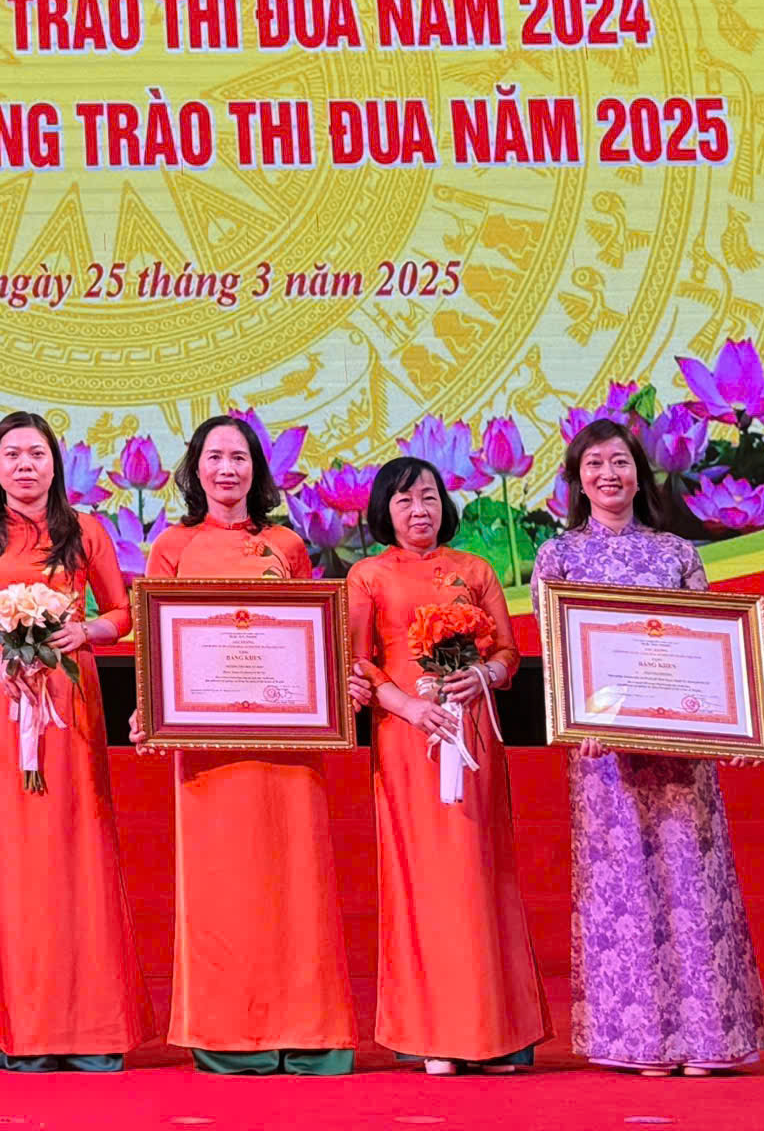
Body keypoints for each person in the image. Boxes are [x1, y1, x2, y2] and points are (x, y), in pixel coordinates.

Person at [534, 418, 764, 1076]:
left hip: (682, 745)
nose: (607, 474)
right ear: (577, 480)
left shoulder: (675, 553)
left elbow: (712, 646)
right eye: (593, 464)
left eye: (619, 461)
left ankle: (711, 1039)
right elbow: (558, 654)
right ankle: (639, 1041)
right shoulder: (559, 555)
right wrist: (579, 722)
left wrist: (736, 727)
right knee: (625, 887)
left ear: (640, 474)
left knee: (694, 878)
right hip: (604, 751)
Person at [141, 414, 355, 1075]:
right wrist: (151, 708)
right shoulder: (173, 546)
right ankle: (229, 1036)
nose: (227, 469)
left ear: (256, 469)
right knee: (221, 889)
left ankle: (309, 1034)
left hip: (289, 744)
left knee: (297, 883)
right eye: (215, 457)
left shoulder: (286, 545)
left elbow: (312, 634)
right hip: (208, 751)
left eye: (239, 457)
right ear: (195, 468)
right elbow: (155, 644)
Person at [0, 412, 150, 1072]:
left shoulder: (85, 531)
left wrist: (87, 633)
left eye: (36, 453)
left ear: (55, 463)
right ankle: (24, 1029)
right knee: (16, 856)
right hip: (3, 701)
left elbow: (123, 612)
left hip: (70, 697)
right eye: (12, 455)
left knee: (81, 848)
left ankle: (94, 1028)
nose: (24, 465)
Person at [346, 456, 548, 1074]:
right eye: (405, 500)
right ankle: (434, 1033)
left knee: (480, 873)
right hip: (408, 739)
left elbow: (509, 653)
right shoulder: (368, 575)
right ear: (385, 510)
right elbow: (358, 664)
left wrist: (484, 674)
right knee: (424, 878)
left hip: (475, 732)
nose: (420, 510)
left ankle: (497, 1035)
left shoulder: (475, 569)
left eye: (429, 497)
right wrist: (409, 706)